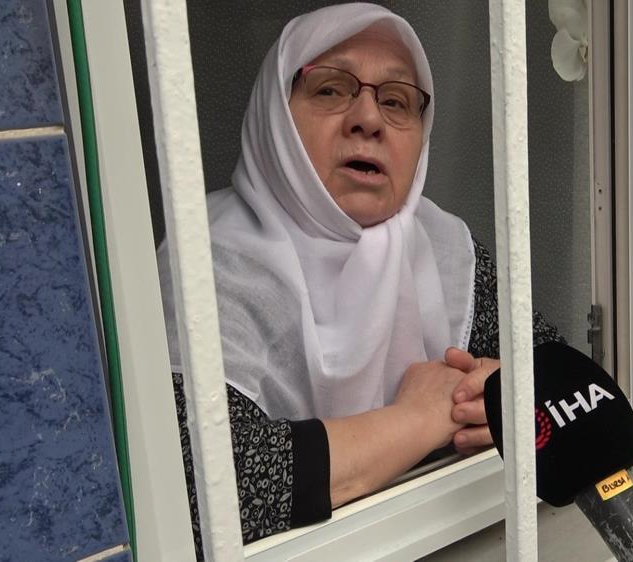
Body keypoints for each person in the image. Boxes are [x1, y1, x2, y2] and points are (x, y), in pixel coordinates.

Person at [159, 2, 563, 549]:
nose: (368, 119)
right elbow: (199, 487)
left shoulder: (441, 247)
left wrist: (500, 395)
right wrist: (420, 418)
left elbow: (582, 395)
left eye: (396, 101)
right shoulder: (208, 263)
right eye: (330, 89)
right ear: (276, 116)